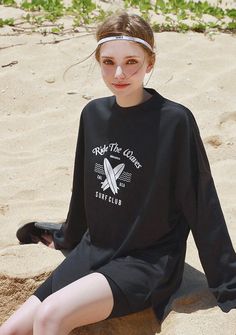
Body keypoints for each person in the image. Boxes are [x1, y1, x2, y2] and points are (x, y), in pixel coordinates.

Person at [1, 11, 236, 335]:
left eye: (131, 62)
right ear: (98, 61)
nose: (119, 73)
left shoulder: (173, 122)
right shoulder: (92, 115)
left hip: (147, 261)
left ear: (150, 63)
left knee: (50, 317)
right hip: (95, 248)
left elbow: (201, 202)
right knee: (11, 330)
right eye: (108, 62)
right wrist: (66, 238)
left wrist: (229, 286)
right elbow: (83, 193)